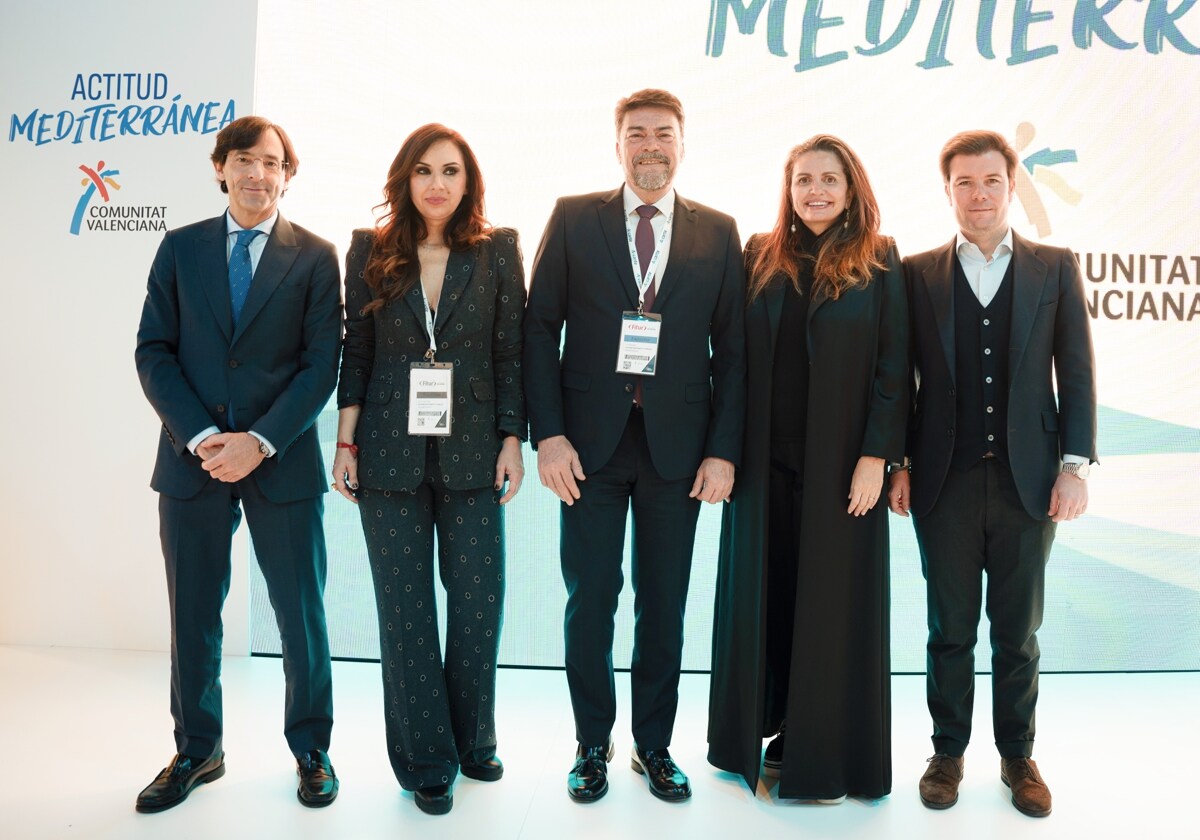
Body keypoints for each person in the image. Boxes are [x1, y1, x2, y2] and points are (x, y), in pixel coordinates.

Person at [523, 88, 746, 804]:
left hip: (678, 451)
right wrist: (548, 436)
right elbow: (537, 329)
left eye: (664, 135)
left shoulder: (718, 230)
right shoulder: (572, 218)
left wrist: (723, 449)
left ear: (683, 143)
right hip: (587, 447)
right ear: (617, 144)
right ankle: (593, 742)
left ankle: (653, 745)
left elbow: (734, 352)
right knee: (590, 599)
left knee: (664, 603)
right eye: (637, 135)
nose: (651, 147)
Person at [134, 116, 341, 812]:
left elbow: (320, 368)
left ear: (289, 175)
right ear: (220, 168)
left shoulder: (315, 257)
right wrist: (199, 437)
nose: (259, 174)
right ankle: (198, 749)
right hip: (192, 462)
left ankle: (312, 749)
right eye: (245, 161)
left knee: (300, 614)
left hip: (280, 460)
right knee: (193, 614)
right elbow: (153, 351)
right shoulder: (180, 248)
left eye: (273, 163)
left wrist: (259, 440)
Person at [888, 130, 1097, 818]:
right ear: (946, 191)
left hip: (1029, 482)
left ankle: (1017, 756)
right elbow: (900, 380)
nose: (978, 195)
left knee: (1017, 631)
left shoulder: (1054, 267)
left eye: (991, 182)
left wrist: (1074, 467)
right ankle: (947, 751)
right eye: (964, 184)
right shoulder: (915, 273)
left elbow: (1078, 370)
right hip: (941, 483)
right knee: (949, 627)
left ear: (1011, 187)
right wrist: (901, 465)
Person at [331, 123, 525, 816]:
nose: (437, 183)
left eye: (450, 170)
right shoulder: (370, 249)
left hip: (475, 449)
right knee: (405, 611)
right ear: (404, 181)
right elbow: (356, 350)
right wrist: (345, 441)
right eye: (423, 171)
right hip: (385, 450)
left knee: (479, 602)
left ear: (468, 181)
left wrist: (513, 439)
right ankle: (427, 760)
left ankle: (474, 738)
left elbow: (510, 352)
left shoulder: (498, 249)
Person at [707, 135, 909, 802]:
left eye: (829, 179)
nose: (814, 190)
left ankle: (820, 752)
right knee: (768, 597)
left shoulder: (879, 260)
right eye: (802, 180)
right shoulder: (759, 255)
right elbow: (732, 362)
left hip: (841, 469)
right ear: (787, 189)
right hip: (764, 469)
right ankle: (757, 733)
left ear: (852, 189)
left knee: (829, 606)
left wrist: (876, 458)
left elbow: (892, 369)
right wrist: (726, 453)